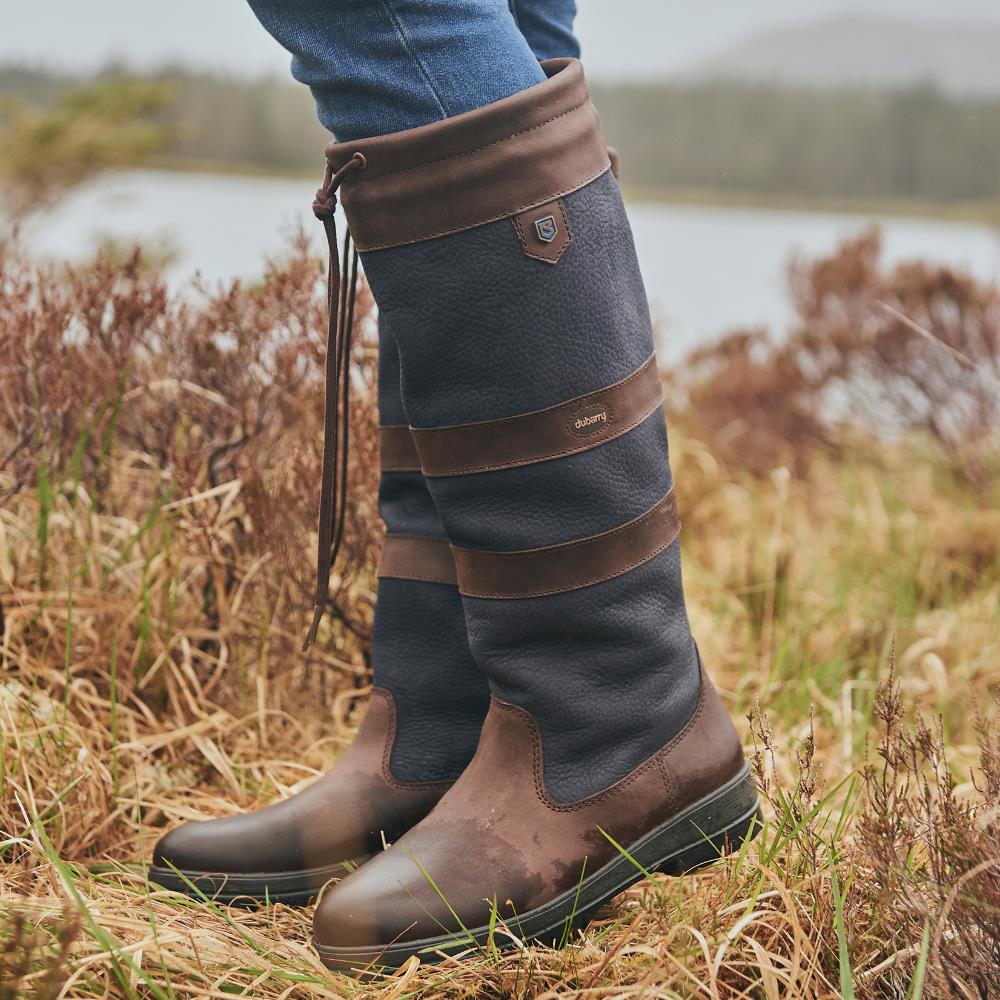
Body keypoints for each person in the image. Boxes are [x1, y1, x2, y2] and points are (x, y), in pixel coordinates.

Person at [150, 0, 760, 970]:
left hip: (599, 725)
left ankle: (605, 717)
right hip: (455, 712)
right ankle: (449, 718)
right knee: (495, 26)